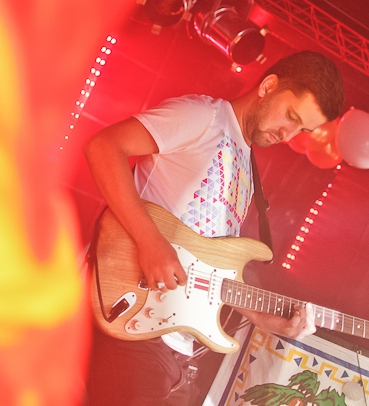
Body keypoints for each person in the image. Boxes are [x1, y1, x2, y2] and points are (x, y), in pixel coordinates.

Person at [83, 50, 345, 405]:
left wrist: (262, 318)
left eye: (302, 129)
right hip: (133, 319)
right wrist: (150, 242)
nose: (289, 134)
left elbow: (209, 268)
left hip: (176, 349)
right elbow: (103, 147)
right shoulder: (203, 117)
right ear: (268, 86)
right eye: (291, 116)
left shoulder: (246, 168)